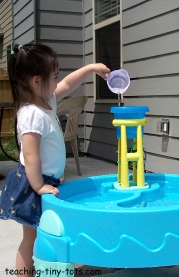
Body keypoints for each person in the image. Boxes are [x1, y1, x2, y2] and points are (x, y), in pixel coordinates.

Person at [0, 42, 110, 277]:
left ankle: (51, 267)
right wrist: (39, 185)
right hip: (33, 185)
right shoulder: (30, 114)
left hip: (45, 181)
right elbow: (30, 155)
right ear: (37, 82)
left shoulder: (47, 100)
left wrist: (91, 68)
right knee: (30, 240)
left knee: (49, 232)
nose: (58, 82)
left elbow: (69, 83)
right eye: (54, 77)